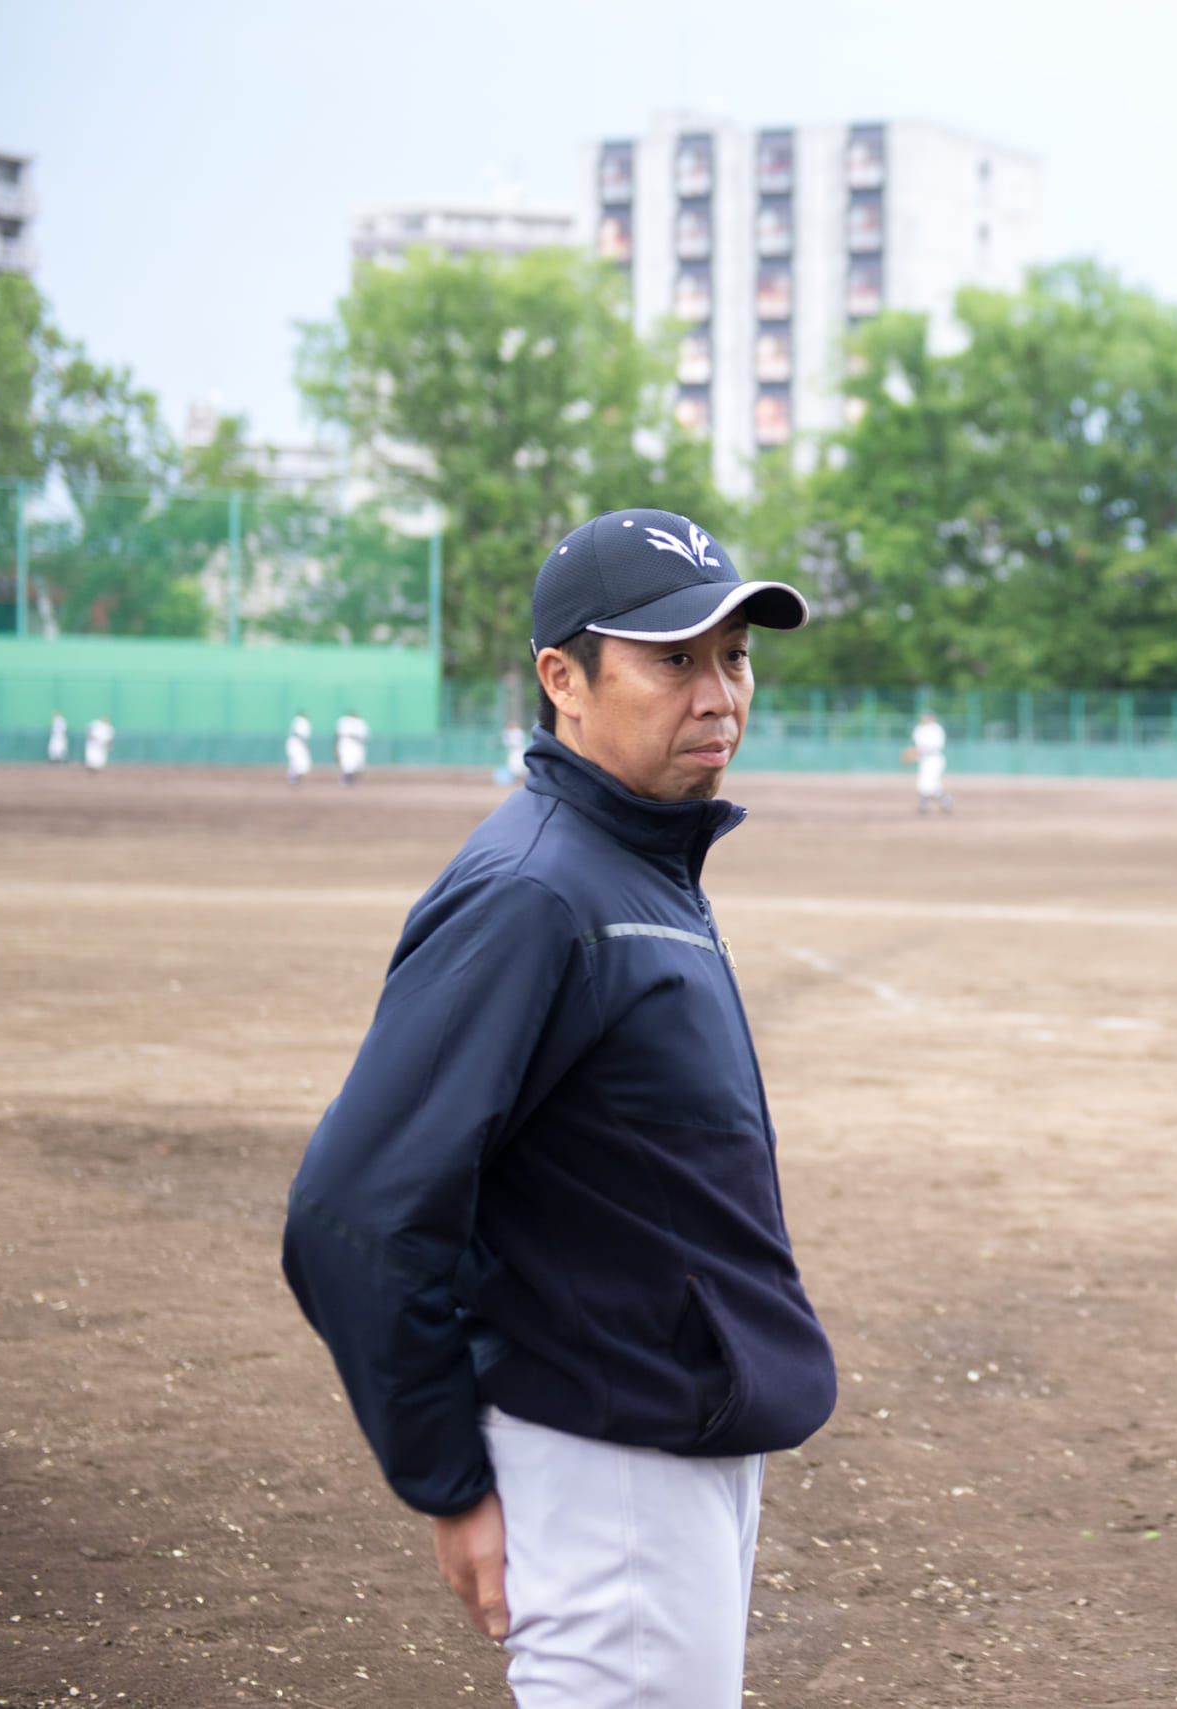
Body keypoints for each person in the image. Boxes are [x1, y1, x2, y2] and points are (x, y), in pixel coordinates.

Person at [282, 508, 833, 1708]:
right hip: (602, 1463)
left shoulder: (632, 865)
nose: (719, 693)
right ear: (562, 680)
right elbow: (352, 1211)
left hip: (673, 1435)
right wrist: (448, 1478)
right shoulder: (536, 888)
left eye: (734, 655)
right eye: (673, 658)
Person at [904, 710, 952, 815]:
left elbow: (933, 746)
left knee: (929, 784)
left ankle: (944, 801)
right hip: (924, 759)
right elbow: (915, 745)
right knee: (924, 784)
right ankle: (934, 804)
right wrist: (912, 753)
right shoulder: (919, 729)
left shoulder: (936, 729)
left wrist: (915, 752)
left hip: (934, 758)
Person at [335, 709, 371, 786]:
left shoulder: (360, 723)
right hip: (347, 746)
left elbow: (364, 737)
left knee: (356, 764)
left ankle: (352, 780)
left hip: (356, 746)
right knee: (347, 764)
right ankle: (346, 780)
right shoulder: (344, 723)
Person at [286, 712, 314, 788]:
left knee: (301, 763)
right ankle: (293, 779)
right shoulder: (301, 721)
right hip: (297, 743)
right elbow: (299, 735)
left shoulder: (298, 721)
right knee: (297, 762)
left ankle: (295, 780)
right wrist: (305, 745)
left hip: (296, 743)